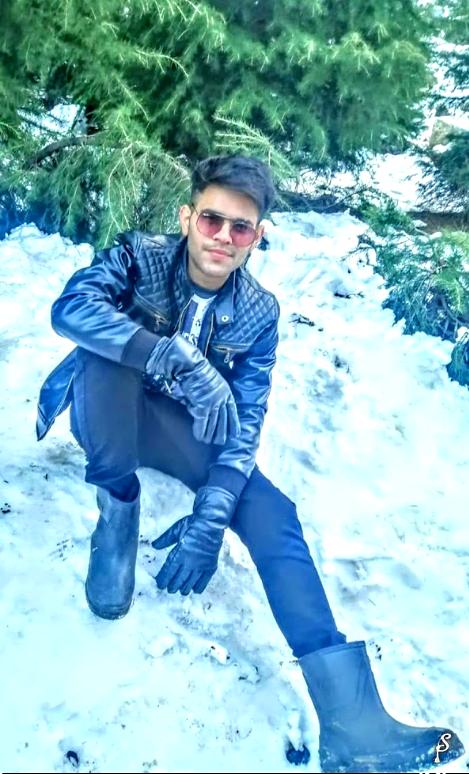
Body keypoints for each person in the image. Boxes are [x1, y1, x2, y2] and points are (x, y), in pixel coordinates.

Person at [36, 155, 463, 773]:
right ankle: (118, 508)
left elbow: (247, 423)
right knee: (103, 351)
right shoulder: (137, 256)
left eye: (241, 228)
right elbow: (70, 310)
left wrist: (212, 517)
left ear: (256, 237)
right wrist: (177, 359)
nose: (223, 238)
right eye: (212, 220)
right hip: (105, 414)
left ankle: (353, 725)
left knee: (273, 514)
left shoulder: (261, 312)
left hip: (177, 431)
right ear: (187, 218)